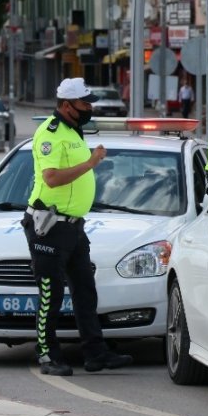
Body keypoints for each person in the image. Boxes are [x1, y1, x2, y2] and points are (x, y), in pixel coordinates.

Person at [22, 77, 134, 377]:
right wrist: (91, 163)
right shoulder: (50, 133)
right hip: (49, 226)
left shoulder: (73, 131)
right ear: (67, 105)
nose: (89, 108)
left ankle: (95, 353)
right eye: (85, 103)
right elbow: (51, 178)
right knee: (51, 294)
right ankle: (47, 355)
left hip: (73, 227)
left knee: (85, 290)